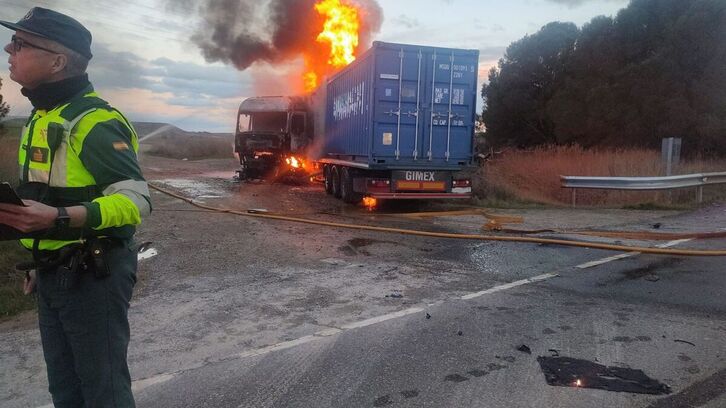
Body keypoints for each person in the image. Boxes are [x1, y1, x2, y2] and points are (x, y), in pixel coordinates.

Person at [0, 7, 150, 408]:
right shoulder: (41, 116)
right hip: (53, 272)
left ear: (57, 62)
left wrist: (59, 218)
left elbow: (136, 200)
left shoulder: (95, 122)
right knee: (65, 392)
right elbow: (47, 195)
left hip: (93, 274)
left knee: (103, 393)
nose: (9, 50)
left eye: (20, 43)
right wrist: (39, 260)